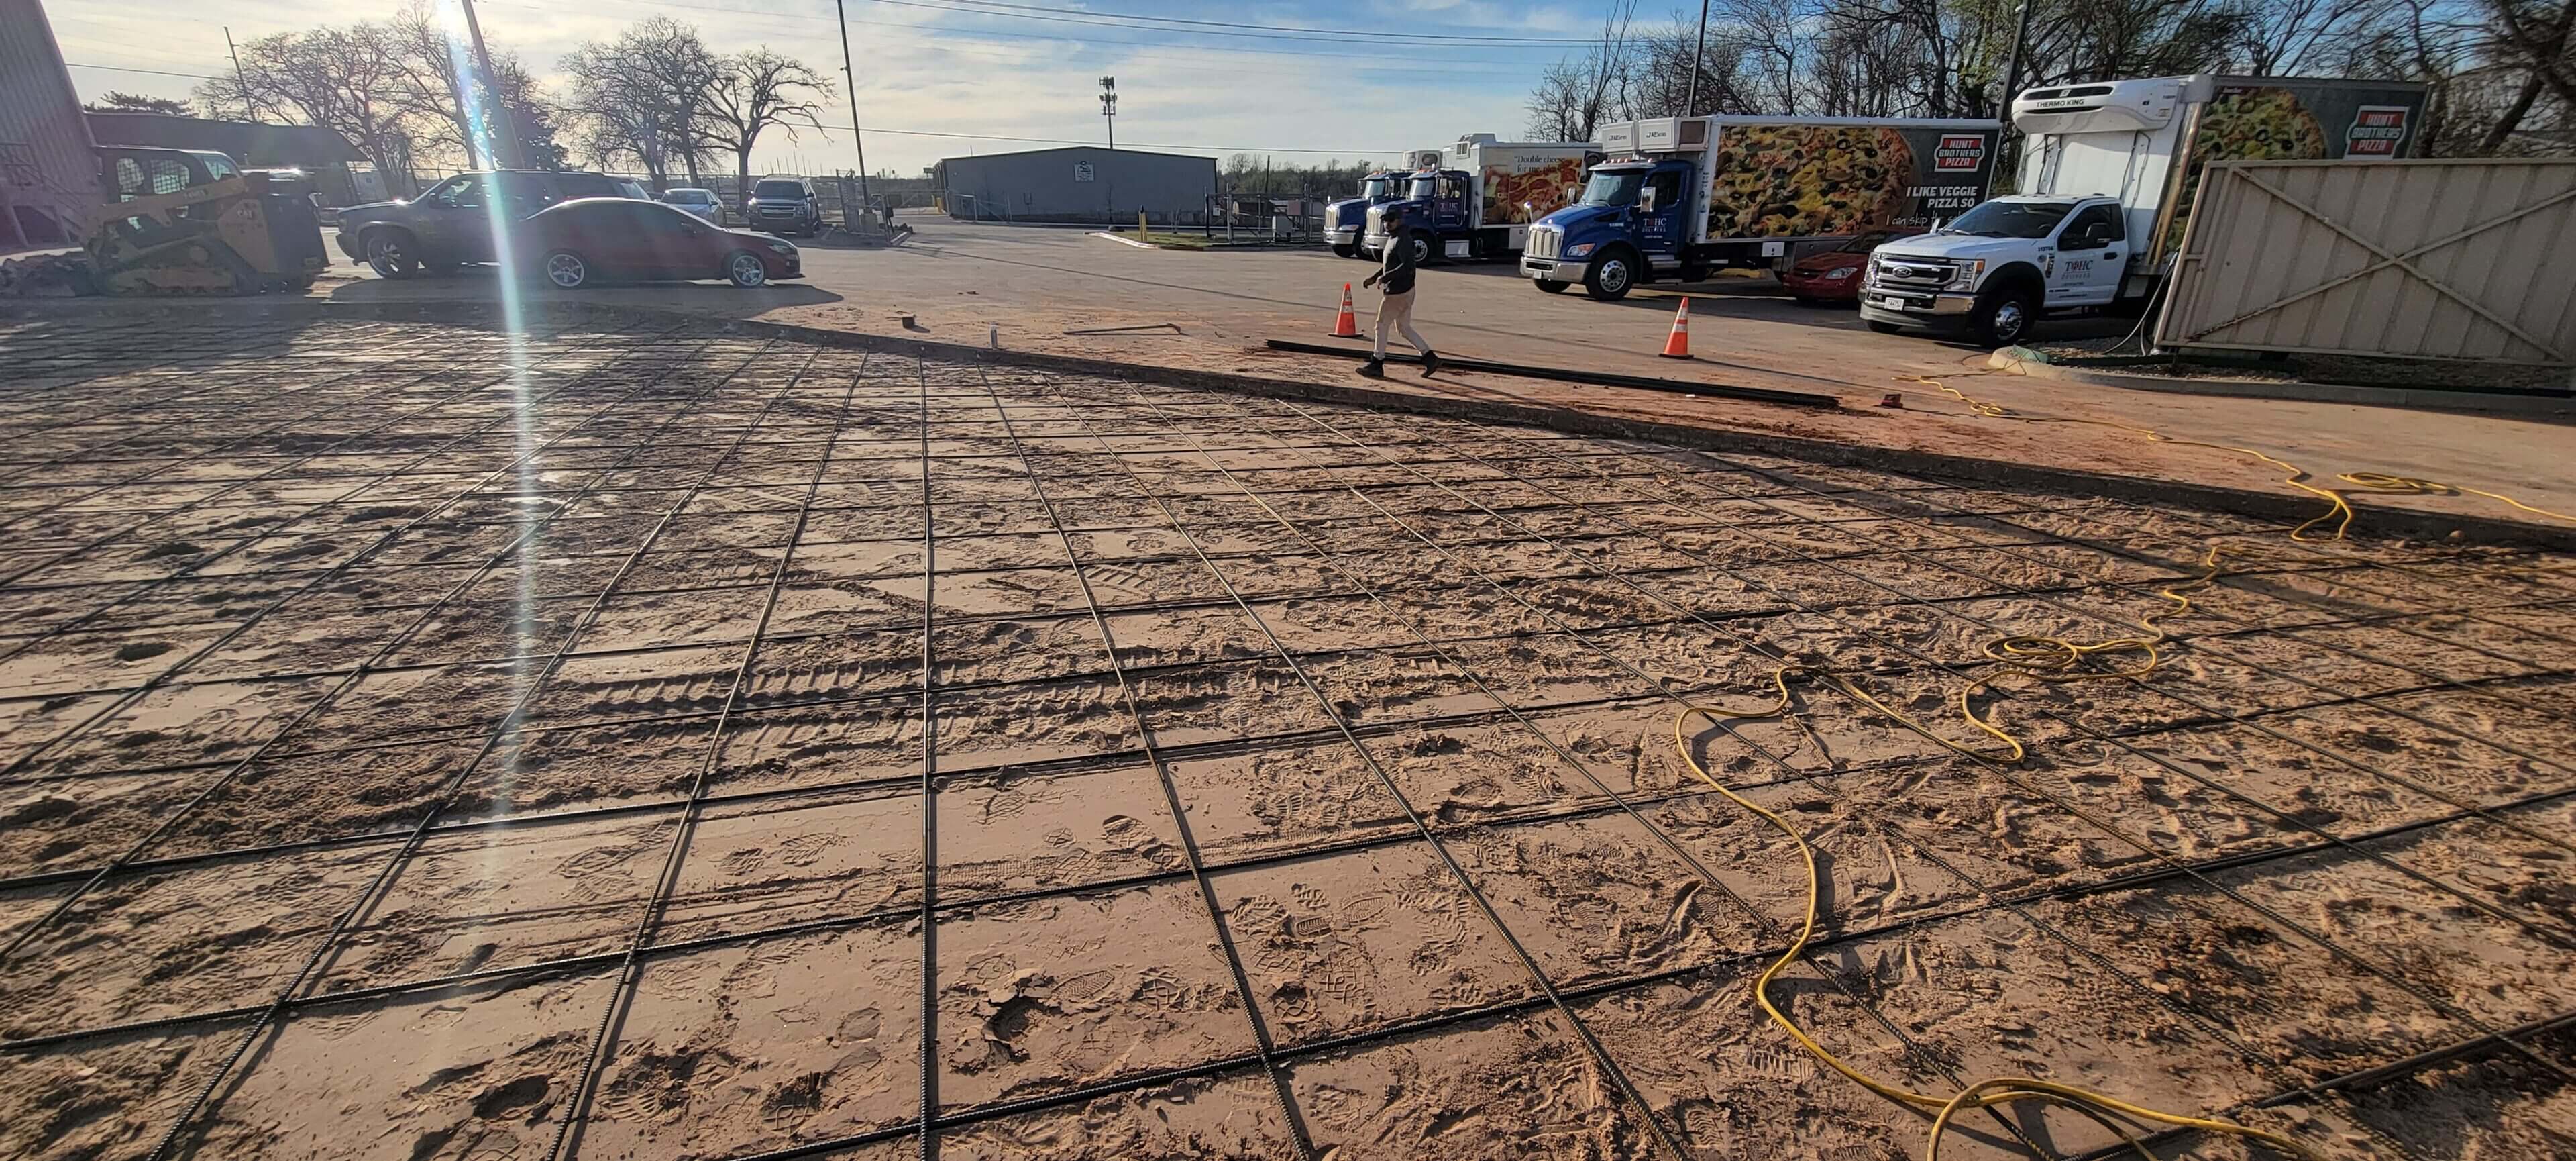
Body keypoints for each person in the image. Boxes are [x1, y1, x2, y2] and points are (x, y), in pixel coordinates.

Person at [1358, 237, 1441, 378]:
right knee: (1404, 328)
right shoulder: (1396, 238)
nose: (1387, 225)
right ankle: (1430, 358)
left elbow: (1406, 266)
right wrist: (1375, 277)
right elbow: (1390, 265)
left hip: (1397, 292)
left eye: (1391, 223)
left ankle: (1376, 363)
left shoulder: (1402, 240)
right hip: (1406, 291)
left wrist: (1384, 278)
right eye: (1385, 223)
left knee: (1381, 325)